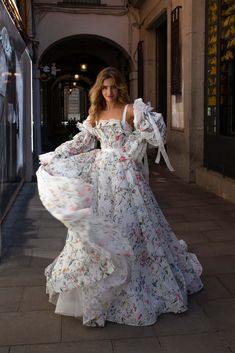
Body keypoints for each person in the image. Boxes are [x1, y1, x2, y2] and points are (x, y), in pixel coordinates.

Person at [37, 67, 203, 327]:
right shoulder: (96, 113)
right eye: (104, 87)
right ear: (99, 90)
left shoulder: (129, 110)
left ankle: (136, 284)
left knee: (132, 227)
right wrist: (54, 156)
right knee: (97, 231)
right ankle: (99, 288)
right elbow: (82, 142)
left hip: (126, 178)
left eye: (113, 87)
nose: (109, 92)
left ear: (120, 87)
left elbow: (153, 132)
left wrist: (130, 148)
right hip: (102, 177)